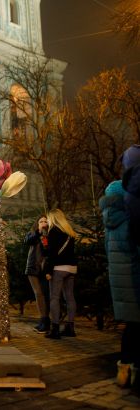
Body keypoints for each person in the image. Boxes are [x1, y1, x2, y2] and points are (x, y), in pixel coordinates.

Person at [100, 145, 140, 387]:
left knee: (132, 328)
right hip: (135, 276)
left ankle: (124, 370)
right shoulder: (132, 208)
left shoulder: (111, 217)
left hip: (120, 279)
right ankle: (134, 373)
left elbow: (109, 248)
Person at [43, 208, 78, 340]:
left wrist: (47, 271)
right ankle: (70, 327)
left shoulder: (53, 231)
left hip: (59, 268)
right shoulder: (69, 231)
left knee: (55, 298)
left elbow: (52, 254)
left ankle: (55, 329)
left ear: (52, 218)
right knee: (70, 297)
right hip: (72, 268)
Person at [24, 215, 50, 333]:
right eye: (41, 221)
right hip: (33, 268)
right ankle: (43, 320)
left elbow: (49, 251)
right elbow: (28, 241)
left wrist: (45, 237)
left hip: (45, 269)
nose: (43, 223)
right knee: (38, 294)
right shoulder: (32, 233)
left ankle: (46, 320)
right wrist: (38, 232)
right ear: (37, 223)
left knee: (45, 294)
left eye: (45, 221)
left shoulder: (49, 235)